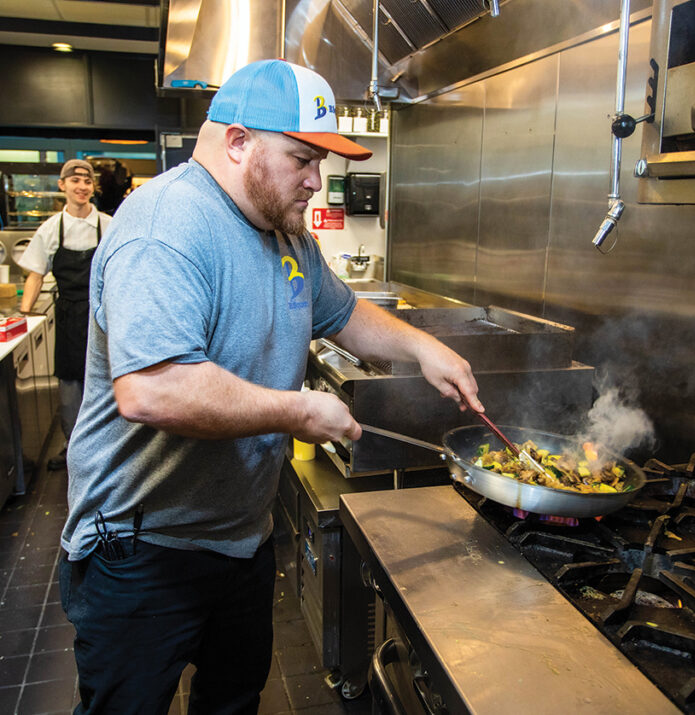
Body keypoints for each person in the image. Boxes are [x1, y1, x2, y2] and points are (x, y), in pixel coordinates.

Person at [58, 59, 483, 715]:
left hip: (241, 539)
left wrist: (424, 348)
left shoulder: (286, 232)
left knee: (233, 700)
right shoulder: (166, 225)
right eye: (302, 159)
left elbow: (342, 313)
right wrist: (294, 410)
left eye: (321, 161)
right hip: (143, 548)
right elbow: (153, 390)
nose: (317, 181)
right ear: (238, 143)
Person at [18, 159, 112, 471]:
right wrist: (24, 314)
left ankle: (110, 448)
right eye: (75, 181)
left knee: (106, 381)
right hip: (70, 315)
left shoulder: (109, 225)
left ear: (93, 187)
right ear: (63, 186)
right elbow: (34, 274)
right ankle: (74, 449)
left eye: (87, 182)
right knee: (71, 387)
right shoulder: (49, 230)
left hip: (103, 316)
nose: (82, 187)